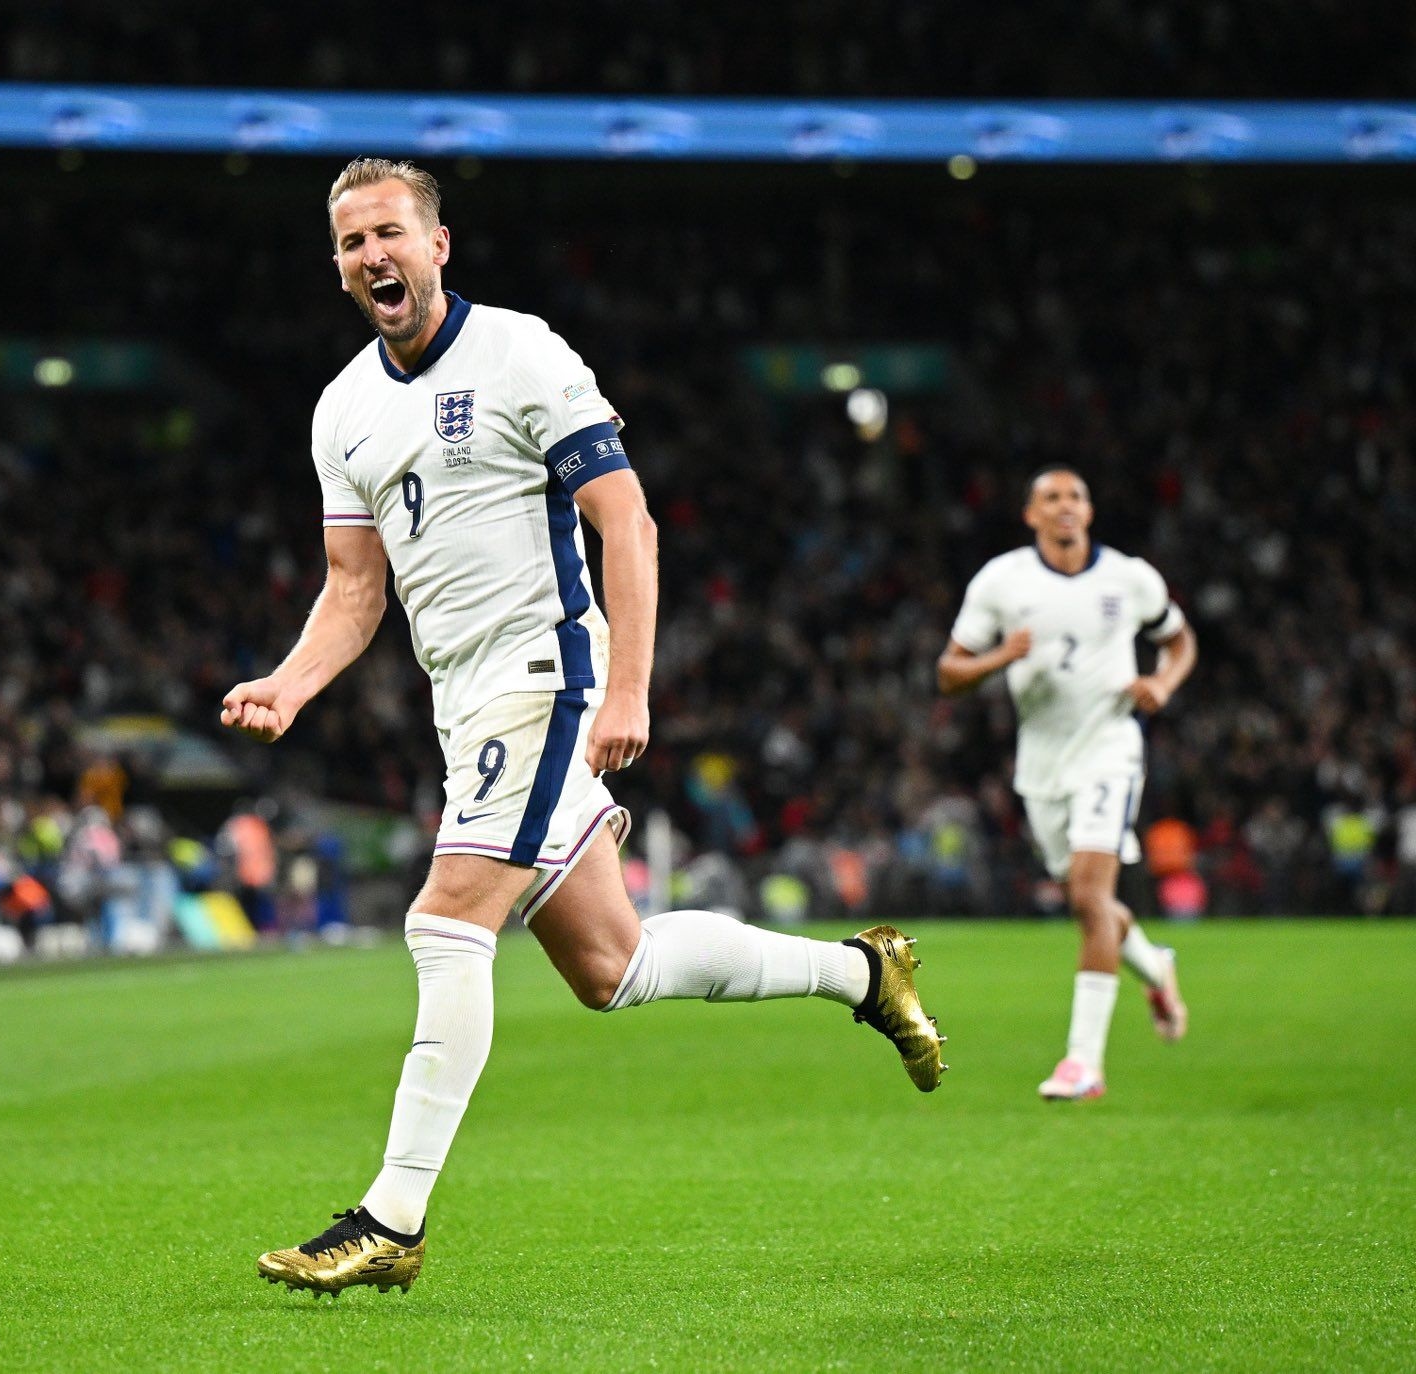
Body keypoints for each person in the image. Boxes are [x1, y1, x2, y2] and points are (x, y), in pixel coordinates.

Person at [223, 158, 946, 1297]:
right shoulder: (342, 409)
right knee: (614, 966)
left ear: (437, 244)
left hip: (547, 675)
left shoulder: (522, 352)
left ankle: (389, 1219)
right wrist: (289, 682)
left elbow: (628, 523)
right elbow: (353, 588)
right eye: (352, 242)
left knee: (444, 921)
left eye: (389, 234)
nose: (373, 257)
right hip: (464, 705)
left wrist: (626, 691)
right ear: (337, 267)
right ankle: (862, 973)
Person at [937, 466, 1197, 1102]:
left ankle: (1084, 1064)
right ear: (1031, 515)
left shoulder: (1129, 578)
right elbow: (949, 672)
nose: (1065, 506)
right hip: (1042, 768)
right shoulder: (1002, 581)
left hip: (1110, 751)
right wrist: (1002, 657)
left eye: (1076, 496)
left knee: (1087, 897)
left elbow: (1180, 641)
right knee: (1094, 905)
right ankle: (1156, 967)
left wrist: (1160, 684)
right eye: (1050, 498)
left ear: (1089, 510)